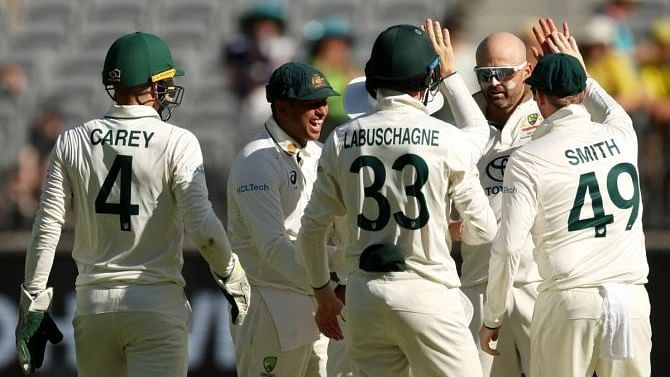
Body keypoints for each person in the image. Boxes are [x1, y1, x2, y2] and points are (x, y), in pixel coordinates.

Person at [15, 31, 250, 377]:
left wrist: (33, 301)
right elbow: (201, 225)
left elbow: (47, 227)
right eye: (166, 83)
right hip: (155, 302)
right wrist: (231, 272)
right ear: (152, 87)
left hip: (93, 307)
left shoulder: (72, 140)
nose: (170, 91)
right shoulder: (178, 141)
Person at [298, 20, 497, 377]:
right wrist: (447, 229)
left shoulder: (340, 138)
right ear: (426, 81)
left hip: (365, 297)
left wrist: (323, 295)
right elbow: (484, 230)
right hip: (429, 294)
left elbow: (312, 230)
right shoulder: (447, 139)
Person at [480, 18, 652, 377]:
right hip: (631, 298)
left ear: (538, 96)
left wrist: (493, 315)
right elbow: (605, 103)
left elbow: (509, 246)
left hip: (569, 301)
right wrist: (579, 69)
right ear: (581, 89)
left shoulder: (529, 157)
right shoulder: (623, 133)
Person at [226, 61, 342, 377]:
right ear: (281, 107)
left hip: (316, 301)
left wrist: (336, 282)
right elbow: (273, 248)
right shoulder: (257, 160)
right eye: (310, 103)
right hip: (268, 303)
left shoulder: (318, 154)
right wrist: (326, 288)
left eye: (323, 101)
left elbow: (329, 233)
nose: (321, 111)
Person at [446, 31, 543, 377]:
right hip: (479, 283)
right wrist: (450, 227)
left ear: (528, 71)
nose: (494, 83)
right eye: (485, 75)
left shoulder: (550, 117)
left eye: (505, 73)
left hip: (537, 284)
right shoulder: (459, 123)